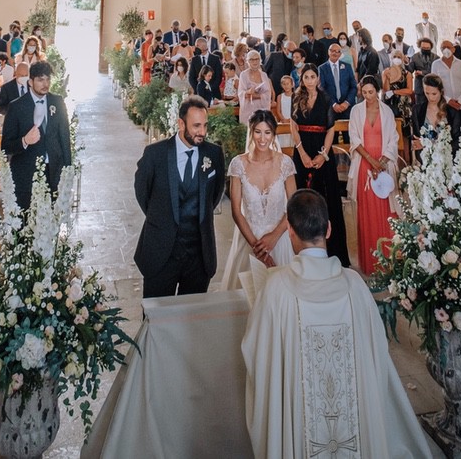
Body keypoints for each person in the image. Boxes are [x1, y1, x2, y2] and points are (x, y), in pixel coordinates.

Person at [242, 189, 434, 459]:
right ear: (329, 229)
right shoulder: (355, 285)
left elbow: (256, 355)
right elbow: (377, 352)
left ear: (291, 233)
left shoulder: (276, 289)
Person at [133, 94, 225, 296]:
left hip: (199, 256)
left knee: (191, 320)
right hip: (161, 253)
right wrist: (161, 217)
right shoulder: (154, 154)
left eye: (205, 126)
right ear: (181, 124)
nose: (202, 132)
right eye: (196, 126)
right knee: (156, 320)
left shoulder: (214, 154)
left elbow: (215, 194)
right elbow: (142, 192)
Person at [221, 109, 297, 288]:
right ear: (251, 131)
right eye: (258, 132)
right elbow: (236, 211)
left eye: (267, 132)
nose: (262, 138)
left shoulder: (285, 163)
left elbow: (293, 207)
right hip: (249, 238)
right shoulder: (238, 164)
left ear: (273, 134)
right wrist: (258, 248)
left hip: (280, 238)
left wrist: (273, 237)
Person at [290, 63, 349, 266]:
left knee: (326, 199)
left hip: (322, 152)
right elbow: (293, 126)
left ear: (318, 78)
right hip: (302, 150)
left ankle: (330, 251)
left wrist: (323, 155)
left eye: (312, 76)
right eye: (305, 77)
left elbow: (331, 129)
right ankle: (302, 249)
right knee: (302, 196)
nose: (309, 80)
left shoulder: (326, 98)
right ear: (302, 79)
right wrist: (302, 153)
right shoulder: (296, 98)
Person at [1, 59, 71, 209]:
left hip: (53, 171)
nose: (45, 84)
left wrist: (68, 170)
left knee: (51, 219)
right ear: (30, 82)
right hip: (26, 174)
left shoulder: (57, 102)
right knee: (27, 222)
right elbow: (6, 146)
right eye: (40, 80)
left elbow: (64, 138)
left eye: (47, 79)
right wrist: (25, 141)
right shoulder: (16, 107)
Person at [348, 76, 399, 275]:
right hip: (364, 165)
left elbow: (393, 139)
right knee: (367, 211)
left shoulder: (387, 111)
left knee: (386, 211)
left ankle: (388, 258)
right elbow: (354, 138)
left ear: (377, 91)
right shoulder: (355, 111)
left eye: (371, 92)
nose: (368, 96)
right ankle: (370, 261)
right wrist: (371, 161)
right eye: (364, 92)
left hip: (383, 166)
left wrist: (383, 161)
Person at [431, 39, 461, 138]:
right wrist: (449, 100)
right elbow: (434, 87)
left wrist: (460, 101)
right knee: (452, 136)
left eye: (448, 47)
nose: (446, 50)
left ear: (454, 49)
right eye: (443, 48)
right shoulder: (436, 65)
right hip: (446, 106)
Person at [412, 73, 457, 157]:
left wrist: (428, 145)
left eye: (434, 94)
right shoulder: (417, 110)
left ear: (441, 91)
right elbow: (416, 138)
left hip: (447, 160)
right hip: (425, 160)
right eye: (427, 93)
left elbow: (456, 142)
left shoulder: (452, 112)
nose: (430, 98)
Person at [380, 52, 414, 158]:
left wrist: (395, 92)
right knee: (390, 132)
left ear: (403, 59)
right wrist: (387, 78)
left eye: (399, 57)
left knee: (404, 132)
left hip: (403, 106)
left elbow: (409, 90)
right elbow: (385, 90)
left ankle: (406, 159)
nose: (396, 59)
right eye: (394, 57)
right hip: (389, 104)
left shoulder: (407, 74)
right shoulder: (386, 71)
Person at [318, 40, 357, 121]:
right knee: (332, 133)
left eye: (338, 51)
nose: (335, 53)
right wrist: (333, 104)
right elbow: (322, 88)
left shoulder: (347, 67)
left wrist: (347, 102)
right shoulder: (322, 68)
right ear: (328, 52)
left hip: (347, 107)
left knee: (347, 133)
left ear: (340, 54)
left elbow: (353, 87)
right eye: (332, 51)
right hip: (330, 107)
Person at [237, 48, 273, 124]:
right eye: (251, 60)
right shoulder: (243, 75)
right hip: (248, 111)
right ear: (247, 61)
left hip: (262, 109)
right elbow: (241, 93)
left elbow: (268, 94)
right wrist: (248, 92)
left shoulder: (264, 75)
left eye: (257, 59)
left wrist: (256, 95)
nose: (255, 61)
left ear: (260, 60)